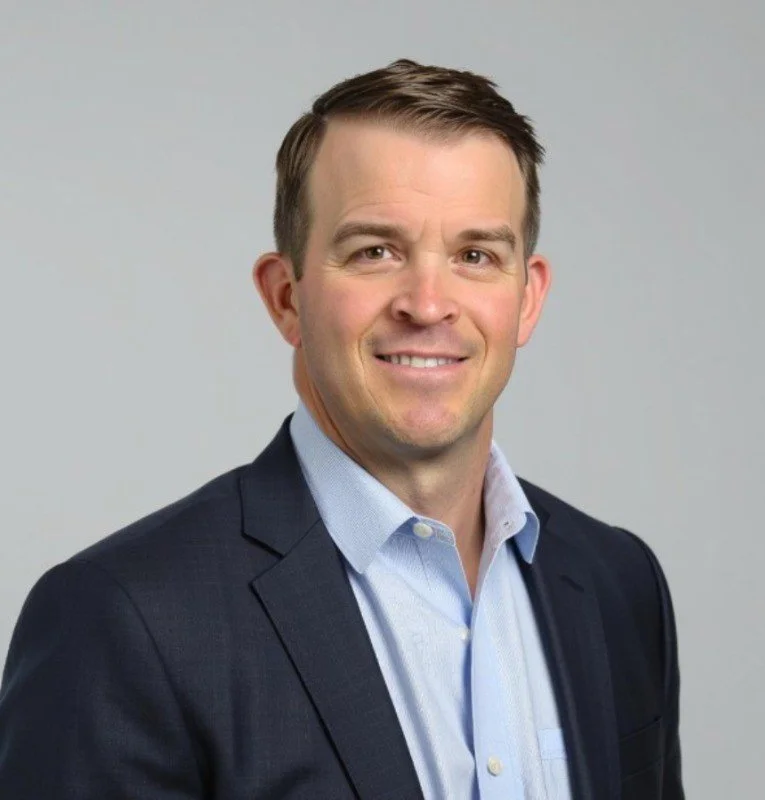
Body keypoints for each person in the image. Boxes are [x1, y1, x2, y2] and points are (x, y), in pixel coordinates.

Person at [0, 59, 684, 799]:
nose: (428, 304)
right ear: (286, 296)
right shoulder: (122, 621)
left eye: (475, 255)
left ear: (527, 299)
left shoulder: (617, 585)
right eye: (375, 252)